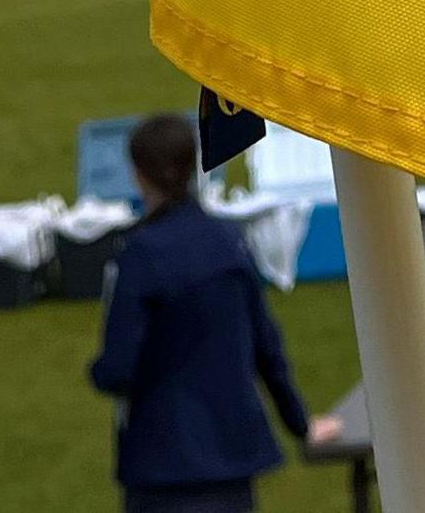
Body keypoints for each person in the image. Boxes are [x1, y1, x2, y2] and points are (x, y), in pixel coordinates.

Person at [87, 111, 309, 513]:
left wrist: (97, 372)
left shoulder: (141, 254)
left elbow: (118, 368)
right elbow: (267, 347)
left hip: (163, 460)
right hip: (231, 454)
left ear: (139, 173)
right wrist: (300, 423)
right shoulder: (229, 243)